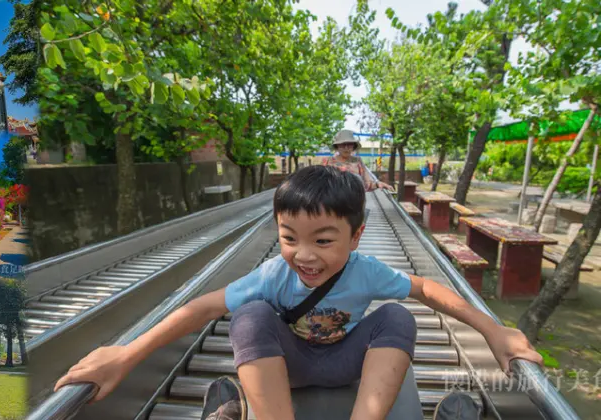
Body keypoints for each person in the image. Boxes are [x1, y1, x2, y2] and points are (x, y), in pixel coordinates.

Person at [53, 166, 543, 420]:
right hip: (291, 367)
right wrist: (126, 354)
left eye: (323, 241)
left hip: (347, 361)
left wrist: (493, 330)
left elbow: (426, 287)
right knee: (249, 315)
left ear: (356, 236)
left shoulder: (366, 271)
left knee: (398, 316)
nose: (304, 256)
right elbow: (201, 307)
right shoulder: (274, 274)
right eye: (289, 238)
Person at [322, 129, 393, 192]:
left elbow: (367, 184)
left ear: (354, 146)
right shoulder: (327, 162)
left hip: (355, 200)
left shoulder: (358, 161)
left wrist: (378, 184)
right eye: (342, 144)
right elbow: (320, 185)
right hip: (333, 201)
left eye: (349, 144)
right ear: (337, 146)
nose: (346, 148)